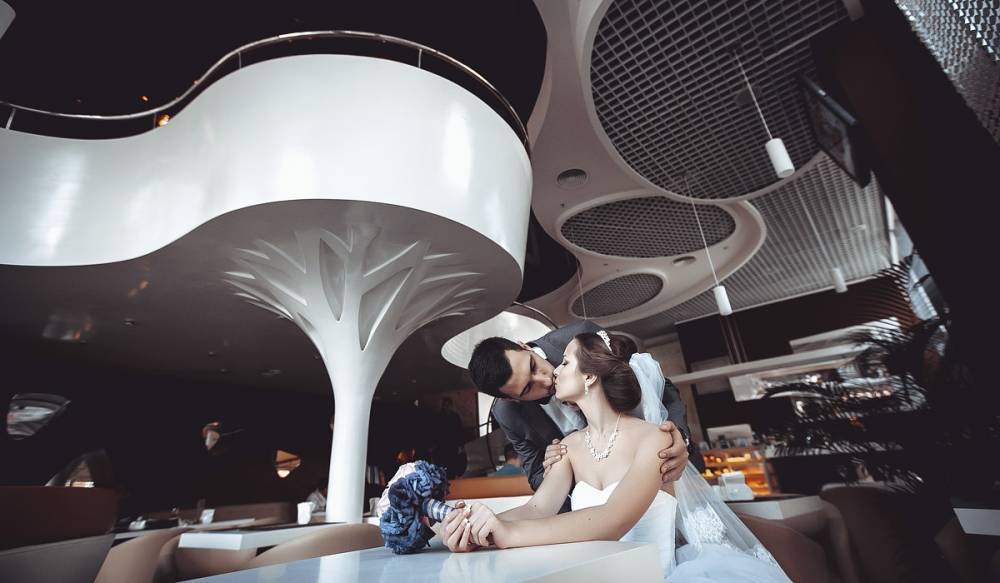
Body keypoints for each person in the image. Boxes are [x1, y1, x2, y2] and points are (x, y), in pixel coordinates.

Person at [445, 332, 790, 582]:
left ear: (590, 374)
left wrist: (508, 534)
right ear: (513, 399)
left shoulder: (655, 438)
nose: (549, 375)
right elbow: (538, 507)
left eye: (561, 363)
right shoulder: (567, 447)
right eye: (527, 388)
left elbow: (612, 519)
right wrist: (477, 526)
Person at [468, 320, 701, 497]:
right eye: (528, 388)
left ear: (523, 346)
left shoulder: (580, 338)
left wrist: (679, 436)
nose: (546, 380)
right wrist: (553, 470)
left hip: (666, 470)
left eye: (533, 366)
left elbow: (659, 387)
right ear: (511, 400)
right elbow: (537, 477)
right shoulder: (508, 415)